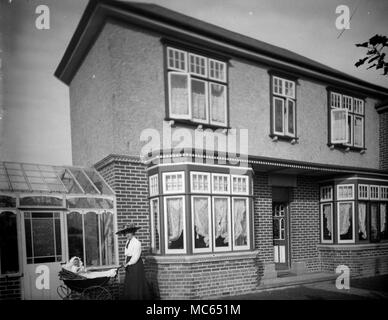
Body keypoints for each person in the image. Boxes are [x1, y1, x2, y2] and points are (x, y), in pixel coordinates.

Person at [116, 223, 150, 300]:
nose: (127, 235)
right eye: (126, 233)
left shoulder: (137, 242)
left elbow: (135, 257)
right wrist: (125, 262)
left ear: (133, 232)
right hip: (129, 264)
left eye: (129, 232)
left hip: (136, 265)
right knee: (130, 283)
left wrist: (128, 263)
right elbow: (127, 254)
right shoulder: (128, 242)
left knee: (135, 282)